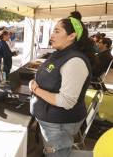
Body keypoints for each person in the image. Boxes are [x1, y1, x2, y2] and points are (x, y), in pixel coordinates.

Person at [29, 12, 95, 157]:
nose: (52, 35)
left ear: (72, 36)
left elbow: (66, 101)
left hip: (58, 124)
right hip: (50, 120)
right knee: (57, 152)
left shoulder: (75, 61)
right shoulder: (60, 53)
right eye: (53, 30)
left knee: (57, 154)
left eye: (57, 31)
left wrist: (35, 89)